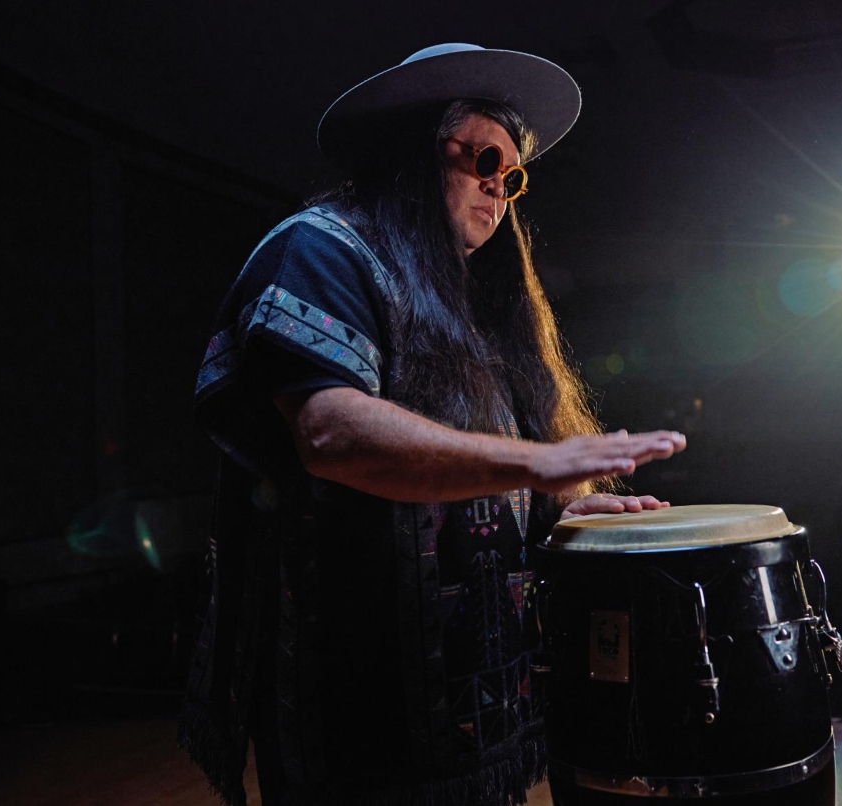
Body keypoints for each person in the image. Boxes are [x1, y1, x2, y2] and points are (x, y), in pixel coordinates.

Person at [178, 43, 687, 806]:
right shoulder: (319, 246)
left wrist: (559, 512)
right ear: (414, 149)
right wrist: (535, 464)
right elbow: (329, 432)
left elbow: (483, 469)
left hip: (477, 704)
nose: (498, 186)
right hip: (358, 693)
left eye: (512, 175)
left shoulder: (475, 300)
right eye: (483, 158)